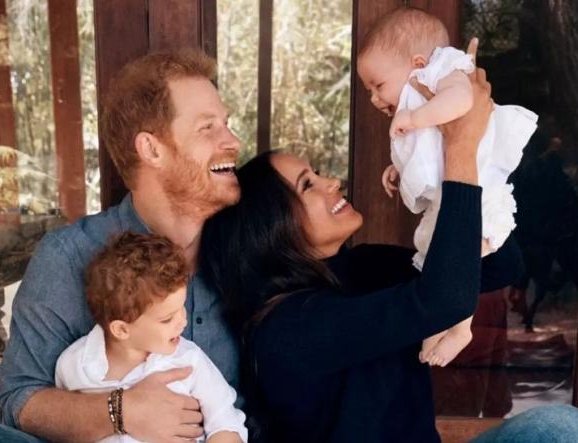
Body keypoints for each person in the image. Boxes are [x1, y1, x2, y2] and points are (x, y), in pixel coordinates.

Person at [198, 43, 578, 442]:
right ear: (270, 228)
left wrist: (439, 177)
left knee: (556, 428)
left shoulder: (363, 267)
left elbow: (501, 266)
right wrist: (459, 149)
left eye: (317, 173)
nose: (332, 182)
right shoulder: (288, 329)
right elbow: (445, 300)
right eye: (307, 184)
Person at [0, 49, 242, 442]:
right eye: (207, 127)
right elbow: (17, 400)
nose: (232, 140)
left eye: (227, 124)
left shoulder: (243, 250)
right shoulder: (68, 257)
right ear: (152, 149)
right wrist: (119, 410)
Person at [356, 7, 538, 366]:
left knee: (460, 256)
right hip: (453, 191)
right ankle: (441, 322)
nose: (376, 99)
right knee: (436, 255)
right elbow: (431, 149)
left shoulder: (445, 71)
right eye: (368, 91)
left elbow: (462, 102)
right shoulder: (419, 97)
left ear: (418, 62)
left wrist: (415, 117)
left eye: (378, 86)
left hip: (479, 190)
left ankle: (460, 327)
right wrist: (398, 168)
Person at [55, 232, 247, 443]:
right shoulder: (73, 365)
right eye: (167, 319)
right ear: (121, 330)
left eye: (182, 307)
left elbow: (224, 420)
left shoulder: (188, 360)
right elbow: (64, 428)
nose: (183, 321)